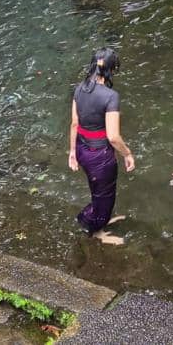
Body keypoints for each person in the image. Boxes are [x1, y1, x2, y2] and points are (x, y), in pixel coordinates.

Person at [69, 48, 135, 243]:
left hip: (82, 149)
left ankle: (97, 219)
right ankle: (94, 229)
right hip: (99, 155)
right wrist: (128, 154)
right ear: (111, 70)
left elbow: (74, 123)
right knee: (105, 196)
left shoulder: (79, 88)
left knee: (97, 190)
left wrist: (72, 151)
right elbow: (113, 136)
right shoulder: (110, 96)